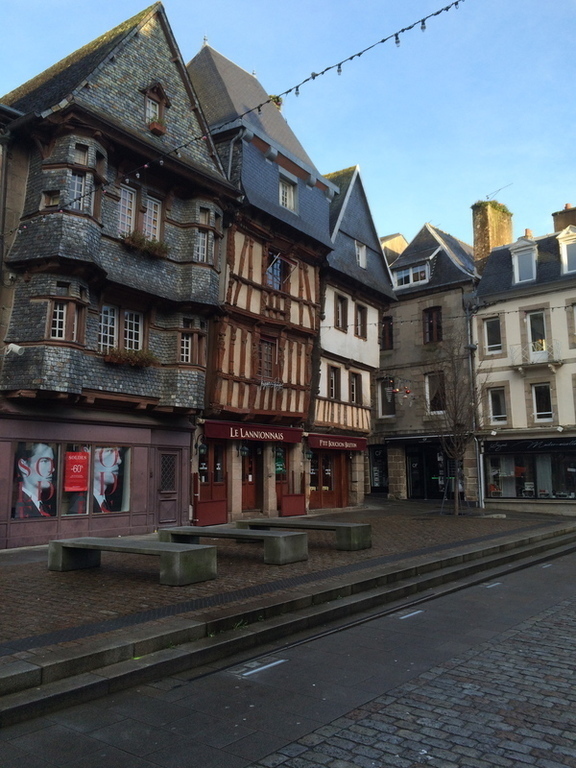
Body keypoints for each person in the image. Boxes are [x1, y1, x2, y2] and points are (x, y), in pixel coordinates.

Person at [14, 443, 57, 518]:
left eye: (51, 462)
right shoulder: (19, 503)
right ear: (23, 465)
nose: (52, 469)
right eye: (44, 461)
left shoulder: (41, 503)